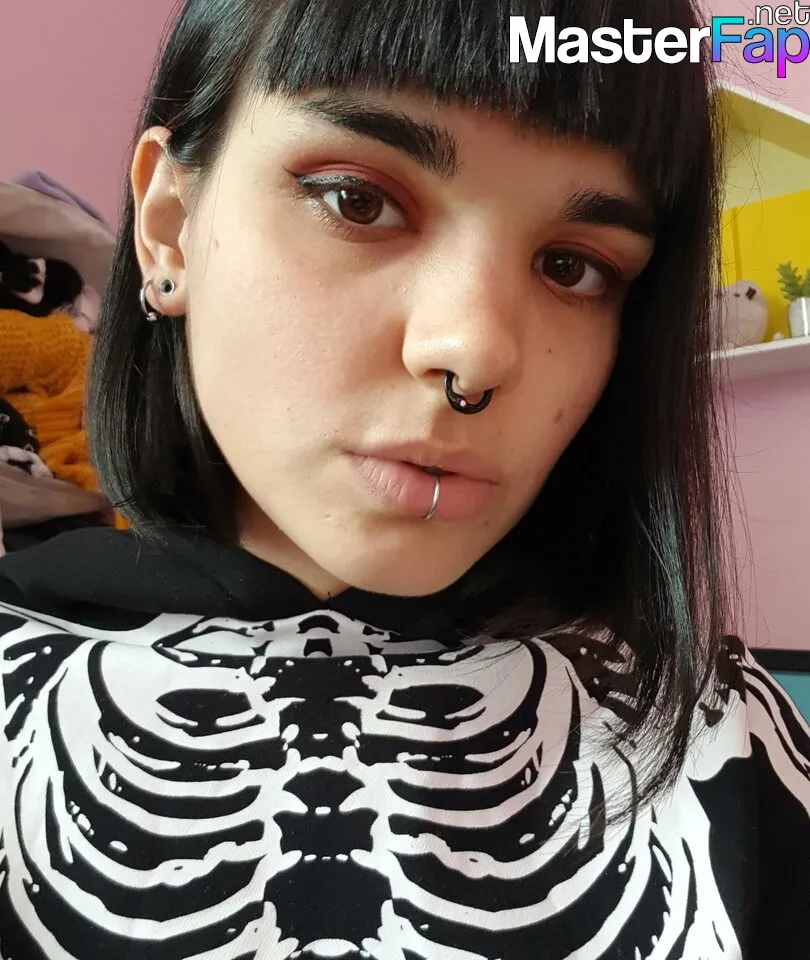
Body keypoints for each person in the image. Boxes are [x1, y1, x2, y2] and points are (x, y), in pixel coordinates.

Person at [0, 0, 808, 956]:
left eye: (572, 266)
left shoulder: (723, 730)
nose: (474, 354)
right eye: (358, 201)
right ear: (170, 226)